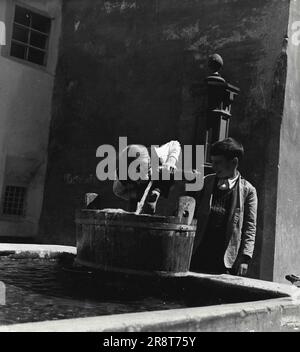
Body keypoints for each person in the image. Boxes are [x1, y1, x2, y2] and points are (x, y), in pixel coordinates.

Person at [190, 138, 257, 277]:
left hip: (225, 258)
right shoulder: (206, 182)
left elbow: (250, 227)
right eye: (212, 161)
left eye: (218, 163)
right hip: (199, 252)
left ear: (234, 163)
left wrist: (245, 258)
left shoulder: (248, 190)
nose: (213, 167)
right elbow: (191, 213)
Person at [113, 140, 181, 214]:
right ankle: (146, 196)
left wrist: (171, 161)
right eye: (138, 177)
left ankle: (156, 190)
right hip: (138, 188)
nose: (142, 179)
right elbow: (118, 192)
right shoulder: (122, 176)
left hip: (161, 174)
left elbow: (175, 143)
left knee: (166, 175)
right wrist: (137, 195)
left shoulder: (159, 155)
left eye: (147, 172)